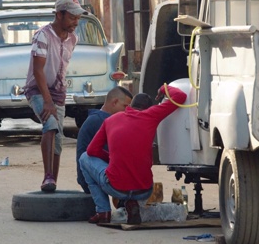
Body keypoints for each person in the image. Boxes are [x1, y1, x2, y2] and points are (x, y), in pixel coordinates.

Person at [79, 84, 187, 224]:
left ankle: (103, 211)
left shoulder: (110, 120)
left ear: (130, 106)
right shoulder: (151, 115)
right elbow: (180, 97)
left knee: (84, 158)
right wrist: (163, 88)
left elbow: (92, 151)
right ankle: (133, 204)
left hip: (115, 187)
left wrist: (112, 159)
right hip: (144, 190)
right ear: (149, 108)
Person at [22, 0, 87, 193]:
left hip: (58, 93)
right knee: (50, 126)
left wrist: (55, 98)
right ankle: (47, 176)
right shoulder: (42, 35)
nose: (76, 22)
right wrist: (48, 102)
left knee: (57, 137)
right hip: (38, 90)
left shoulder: (73, 38)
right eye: (72, 17)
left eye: (78, 18)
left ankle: (53, 183)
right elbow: (38, 70)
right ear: (59, 15)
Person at [76, 86, 133, 194]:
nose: (127, 111)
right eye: (125, 106)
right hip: (89, 179)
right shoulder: (100, 121)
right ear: (114, 102)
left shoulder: (99, 118)